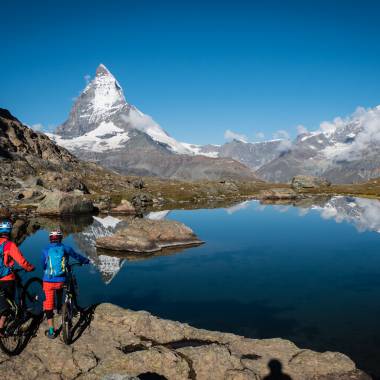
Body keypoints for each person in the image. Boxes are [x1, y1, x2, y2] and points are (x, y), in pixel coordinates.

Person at [41, 228, 89, 339]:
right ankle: (62, 307)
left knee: (48, 304)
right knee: (63, 287)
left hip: (48, 281)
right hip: (61, 280)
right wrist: (85, 260)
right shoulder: (66, 248)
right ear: (60, 238)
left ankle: (52, 331)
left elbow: (43, 265)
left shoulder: (45, 250)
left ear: (50, 239)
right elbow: (77, 256)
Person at [0, 219, 35, 336]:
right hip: (6, 279)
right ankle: (4, 328)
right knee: (8, 305)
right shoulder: (10, 245)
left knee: (2, 301)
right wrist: (30, 268)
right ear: (9, 232)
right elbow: (21, 261)